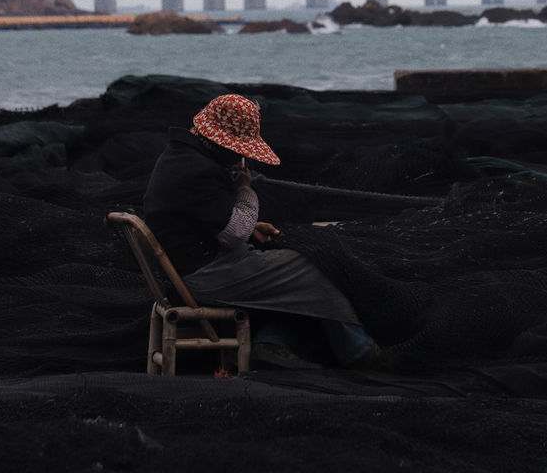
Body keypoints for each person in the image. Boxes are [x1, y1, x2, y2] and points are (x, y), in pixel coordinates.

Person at [143, 93, 379, 368]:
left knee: (291, 267)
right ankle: (359, 350)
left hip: (188, 268)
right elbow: (235, 234)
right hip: (205, 276)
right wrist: (245, 189)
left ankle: (273, 342)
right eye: (239, 148)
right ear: (222, 143)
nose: (241, 154)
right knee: (313, 265)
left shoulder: (180, 156)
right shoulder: (198, 169)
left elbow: (201, 219)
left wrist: (252, 225)